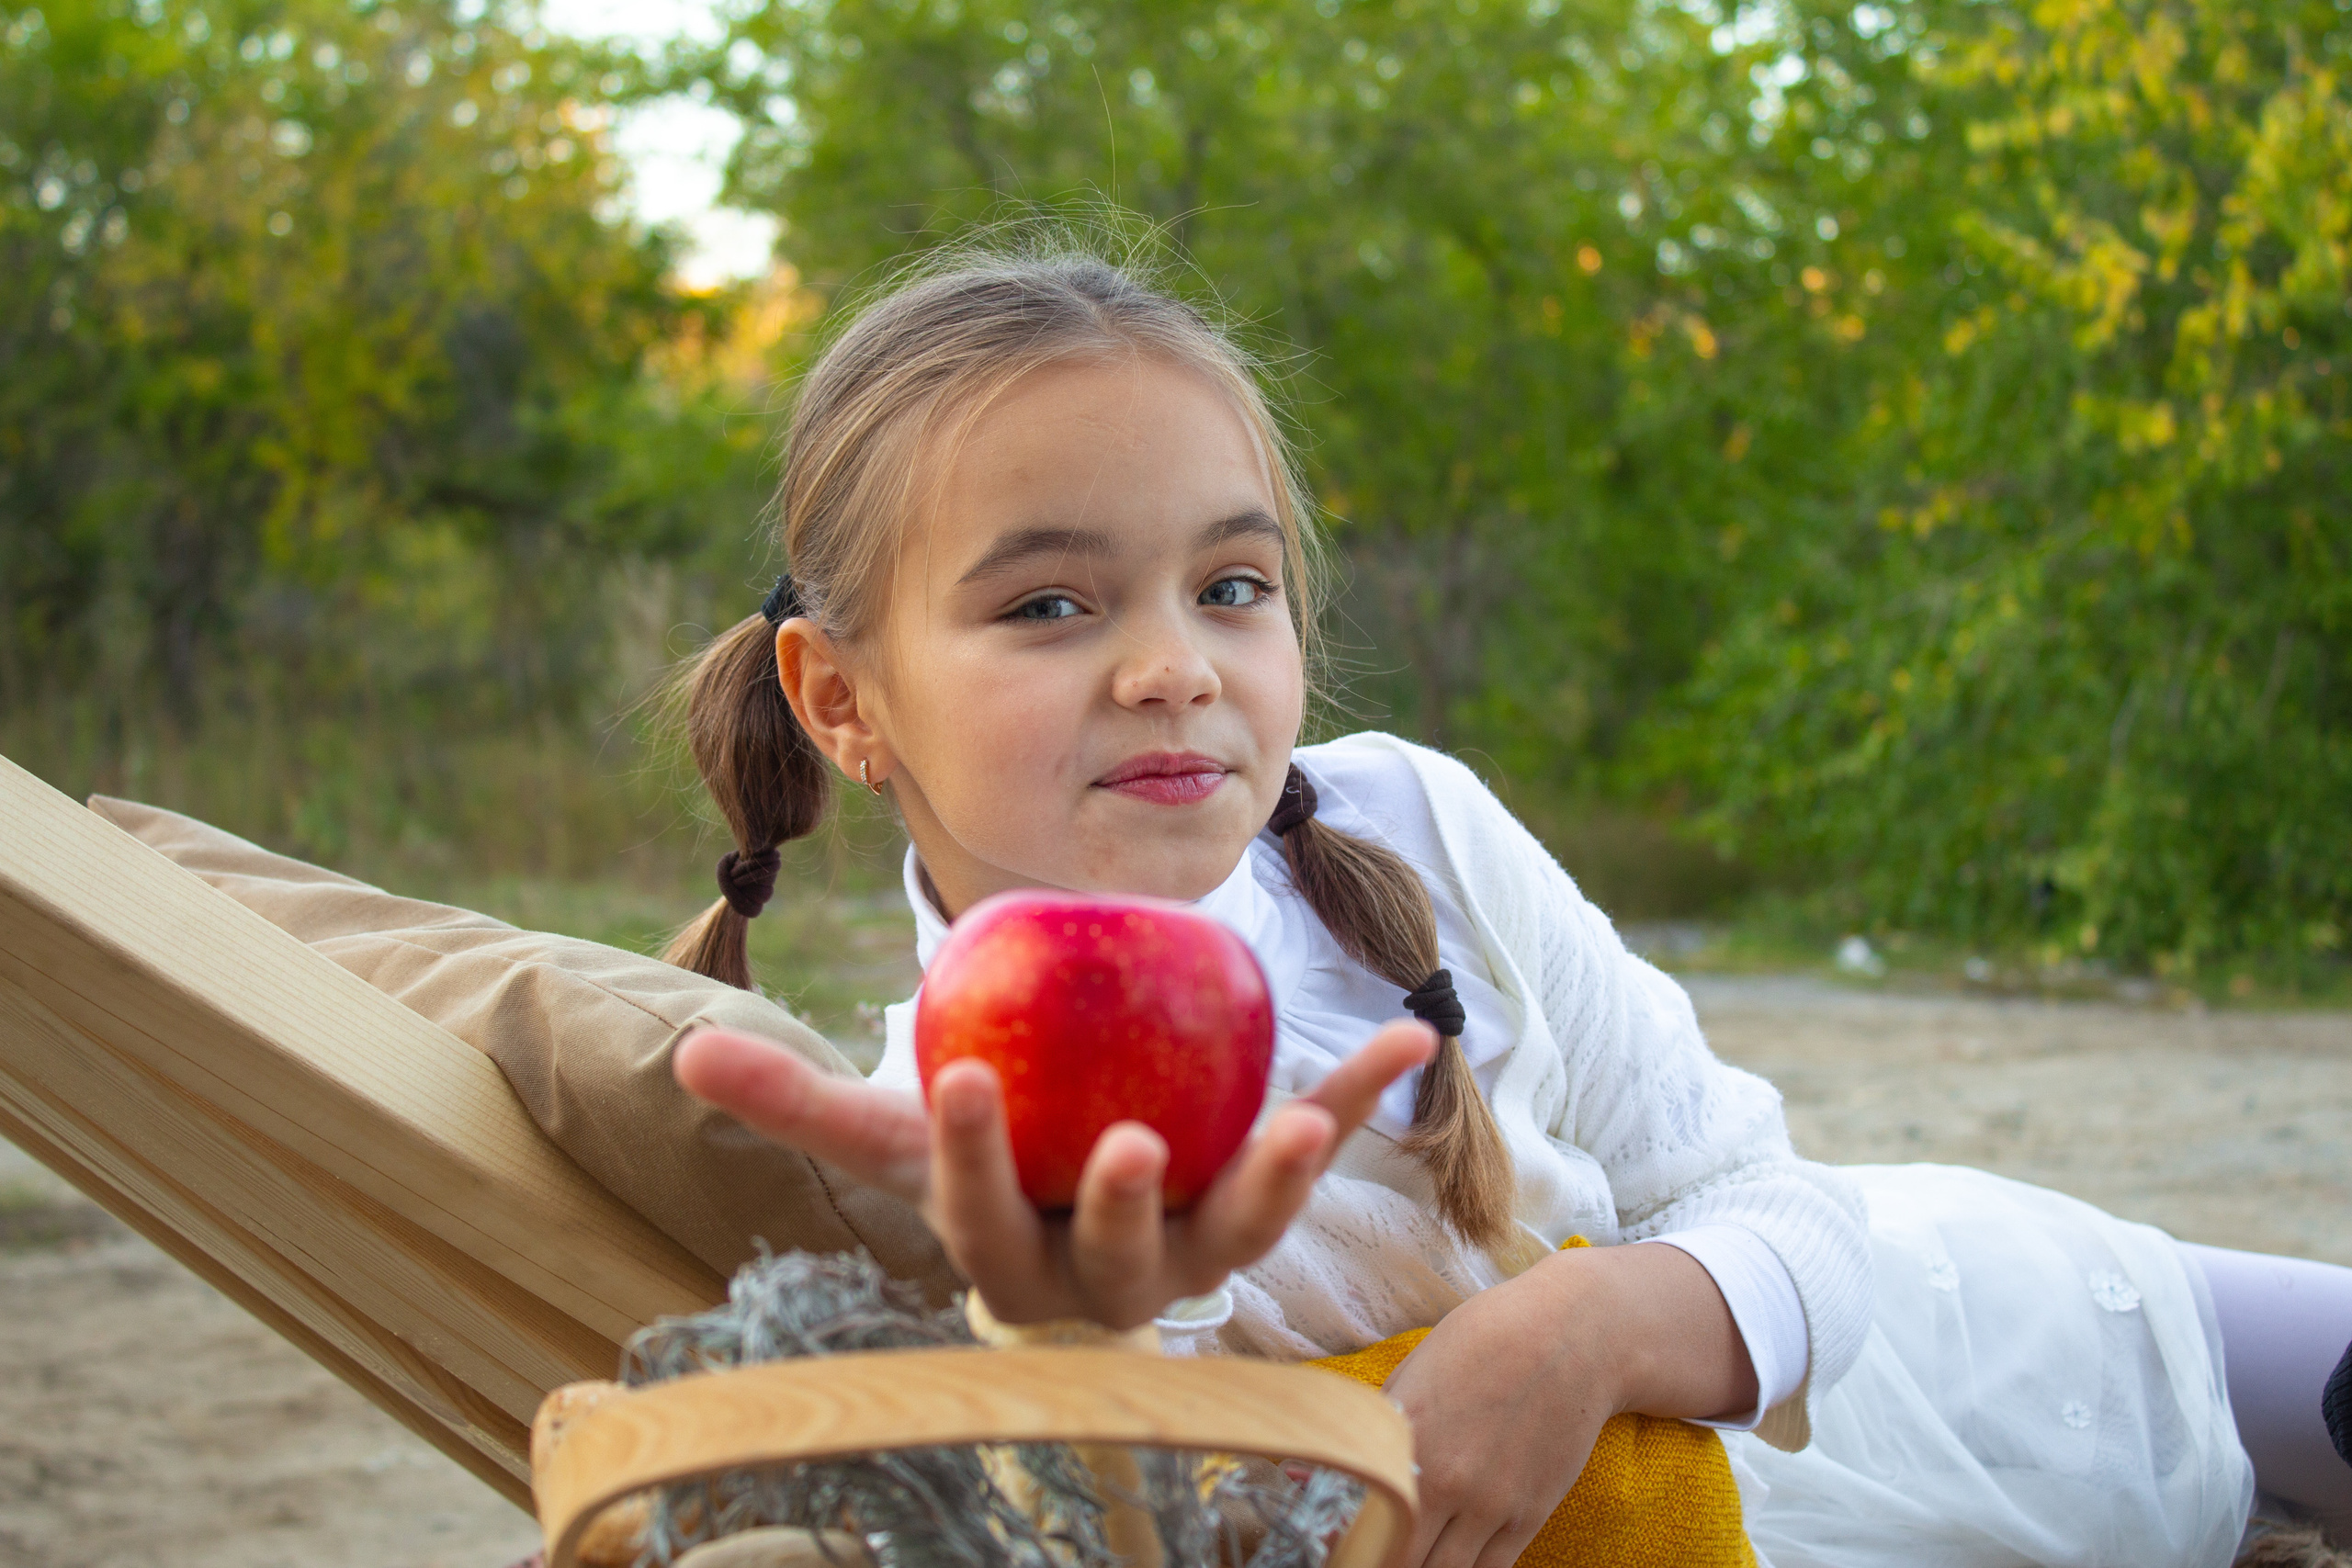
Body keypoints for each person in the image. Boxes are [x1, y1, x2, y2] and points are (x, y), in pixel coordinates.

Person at [653, 244, 2352, 1568]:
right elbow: (1119, 1502)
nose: (1175, 666)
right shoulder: (927, 1133)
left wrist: (1593, 1321)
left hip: (2029, 1333)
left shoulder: (1414, 823)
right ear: (843, 700)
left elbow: (1778, 1200)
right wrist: (1085, 1330)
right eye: (1049, 603)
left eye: (1232, 585)